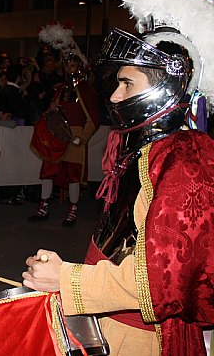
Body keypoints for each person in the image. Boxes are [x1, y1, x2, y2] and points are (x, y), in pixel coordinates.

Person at [24, 26, 214, 355]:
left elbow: (162, 283)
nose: (114, 95)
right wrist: (68, 270)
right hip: (108, 319)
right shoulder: (151, 151)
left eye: (127, 83)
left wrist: (68, 280)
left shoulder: (185, 161)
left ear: (168, 88)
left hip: (141, 337)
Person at [29, 52, 99, 226]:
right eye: (67, 66)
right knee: (48, 170)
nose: (69, 69)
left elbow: (93, 118)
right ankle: (43, 207)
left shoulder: (86, 90)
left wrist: (83, 137)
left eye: (73, 65)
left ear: (80, 68)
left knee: (73, 173)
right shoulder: (59, 89)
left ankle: (73, 210)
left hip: (75, 136)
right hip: (57, 136)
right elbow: (51, 112)